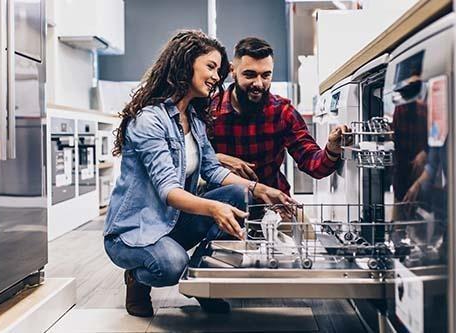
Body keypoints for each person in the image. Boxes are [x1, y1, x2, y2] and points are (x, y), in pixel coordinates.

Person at [103, 30, 293, 318]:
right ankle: (137, 279)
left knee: (240, 193)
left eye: (218, 69)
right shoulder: (149, 120)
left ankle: (204, 283)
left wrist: (261, 189)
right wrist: (214, 207)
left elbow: (212, 169)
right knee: (171, 265)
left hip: (171, 222)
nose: (217, 77)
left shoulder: (193, 117)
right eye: (210, 67)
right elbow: (169, 191)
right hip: (134, 231)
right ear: (185, 63)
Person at [210, 37, 348, 196]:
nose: (259, 84)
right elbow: (188, 161)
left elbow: (312, 163)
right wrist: (217, 159)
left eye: (266, 75)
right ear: (232, 70)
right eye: (250, 75)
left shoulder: (282, 112)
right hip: (222, 205)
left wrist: (331, 150)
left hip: (273, 204)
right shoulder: (210, 110)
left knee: (300, 221)